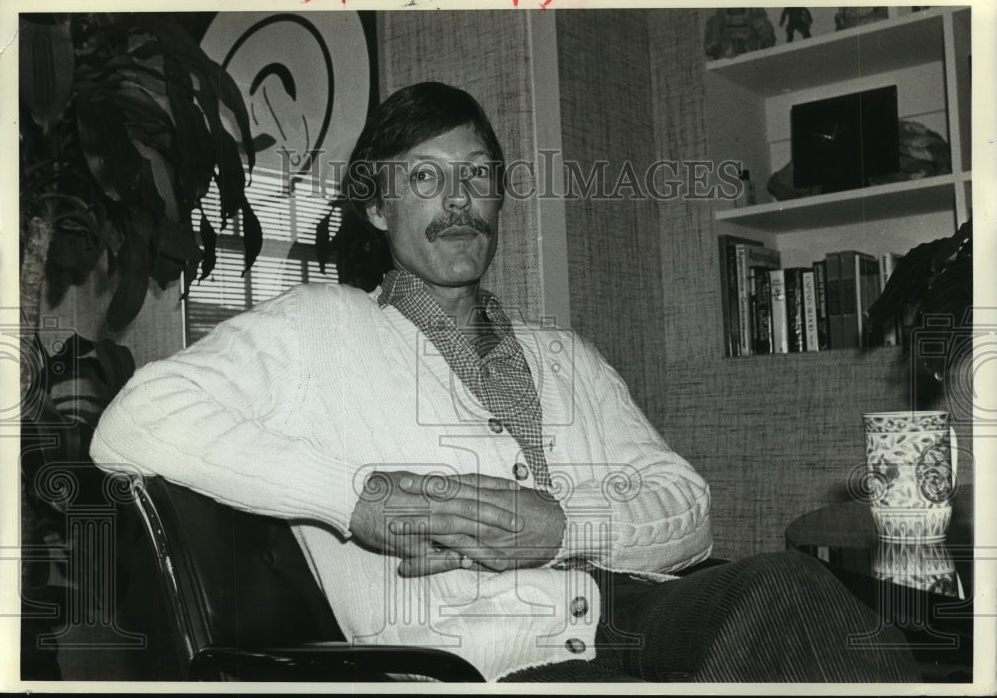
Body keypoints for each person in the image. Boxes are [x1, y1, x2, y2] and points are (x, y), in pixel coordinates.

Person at [90, 82, 919, 682]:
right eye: (424, 177)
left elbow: (688, 512)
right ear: (376, 210)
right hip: (489, 662)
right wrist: (359, 497)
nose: (460, 201)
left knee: (789, 585)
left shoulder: (565, 355)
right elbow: (134, 421)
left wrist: (563, 528)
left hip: (644, 619)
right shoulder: (318, 329)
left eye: (478, 175)